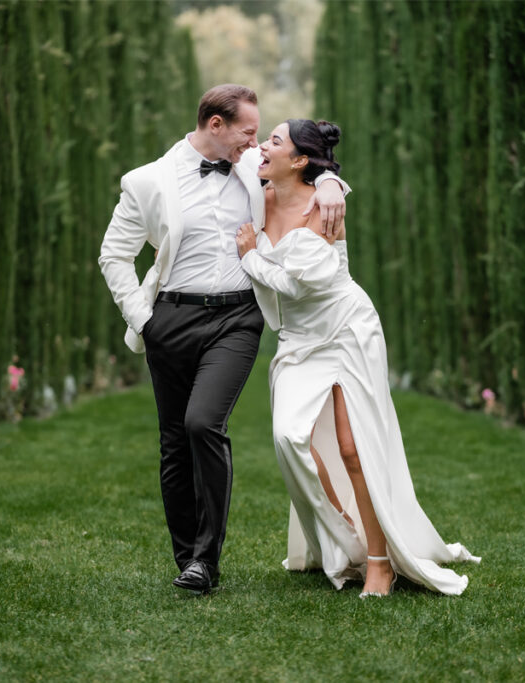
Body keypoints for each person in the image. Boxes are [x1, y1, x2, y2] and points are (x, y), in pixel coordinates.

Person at [98, 85, 350, 594]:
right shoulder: (146, 181)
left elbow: (305, 169)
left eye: (260, 136)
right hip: (169, 318)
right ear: (216, 125)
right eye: (248, 132)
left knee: (202, 422)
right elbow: (113, 255)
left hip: (237, 319)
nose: (257, 144)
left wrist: (331, 185)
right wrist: (144, 320)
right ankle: (189, 559)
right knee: (173, 442)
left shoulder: (253, 169)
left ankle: (206, 559)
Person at [234, 119, 479, 597]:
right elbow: (226, 153)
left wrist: (250, 256)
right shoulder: (259, 190)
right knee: (289, 437)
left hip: (346, 330)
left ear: (300, 160)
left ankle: (380, 561)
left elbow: (299, 283)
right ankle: (346, 533)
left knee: (353, 447)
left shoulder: (326, 211)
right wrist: (330, 179)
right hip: (297, 340)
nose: (262, 146)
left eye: (275, 142)